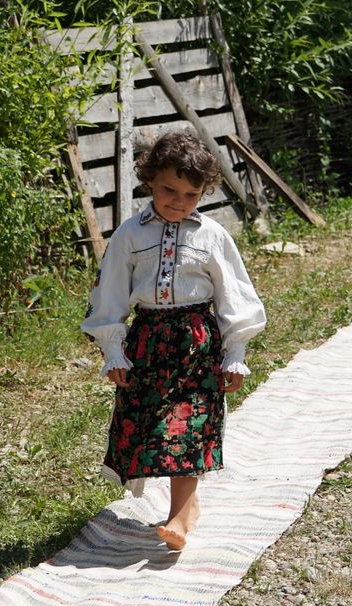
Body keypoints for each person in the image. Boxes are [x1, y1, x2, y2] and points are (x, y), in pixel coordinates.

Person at [81, 131, 266, 551]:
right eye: (169, 190)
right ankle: (189, 505)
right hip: (148, 343)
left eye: (191, 194)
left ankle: (180, 514)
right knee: (152, 428)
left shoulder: (212, 236)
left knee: (190, 425)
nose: (179, 201)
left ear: (204, 192)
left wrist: (235, 352)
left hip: (197, 344)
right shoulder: (129, 236)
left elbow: (234, 295)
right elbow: (110, 295)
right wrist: (114, 350)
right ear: (149, 180)